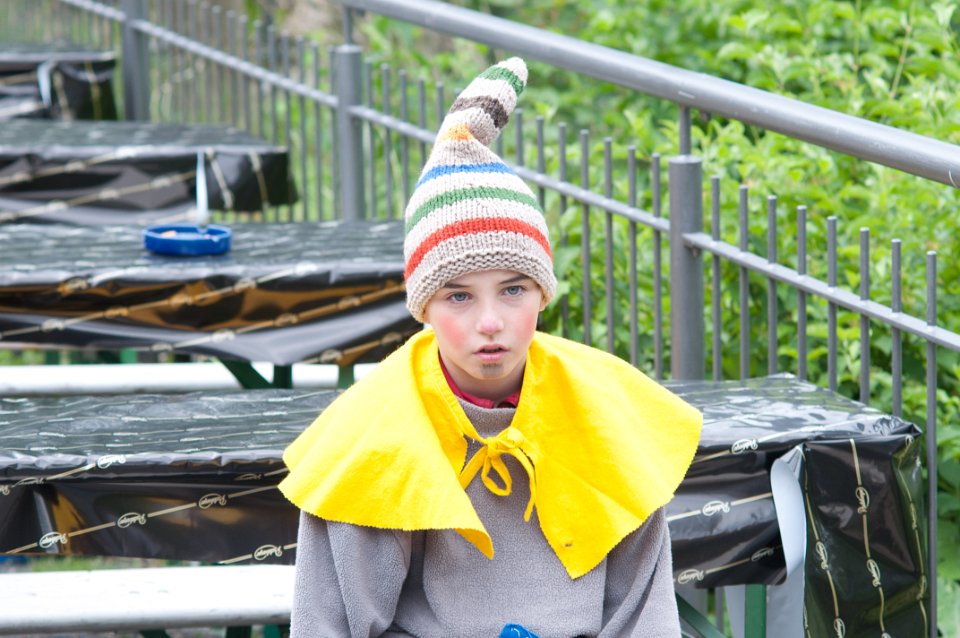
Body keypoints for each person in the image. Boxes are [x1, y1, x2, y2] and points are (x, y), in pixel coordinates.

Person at [279, 57, 702, 637]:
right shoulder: (376, 434)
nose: (490, 322)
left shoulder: (606, 415)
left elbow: (643, 616)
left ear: (543, 293)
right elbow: (330, 624)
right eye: (457, 296)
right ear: (422, 307)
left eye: (513, 290)